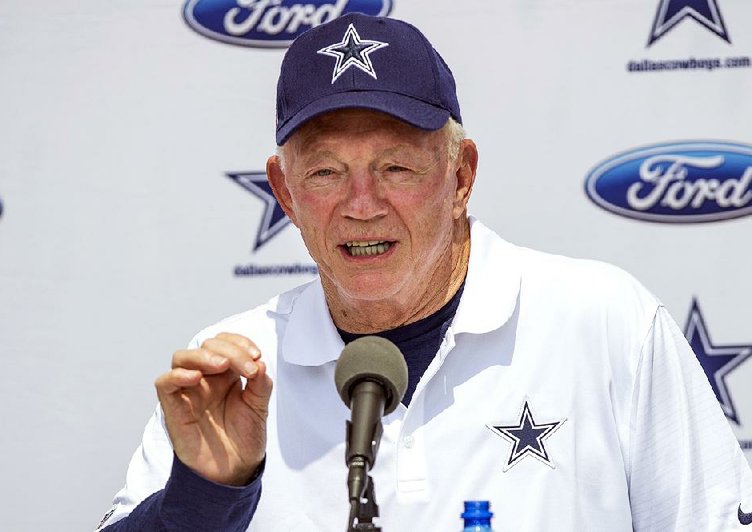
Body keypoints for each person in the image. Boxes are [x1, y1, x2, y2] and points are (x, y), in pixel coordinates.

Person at [97, 12, 752, 532]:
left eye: (396, 168)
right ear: (286, 192)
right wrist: (204, 499)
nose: (362, 205)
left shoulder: (604, 323)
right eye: (326, 171)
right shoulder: (233, 370)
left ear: (460, 176)